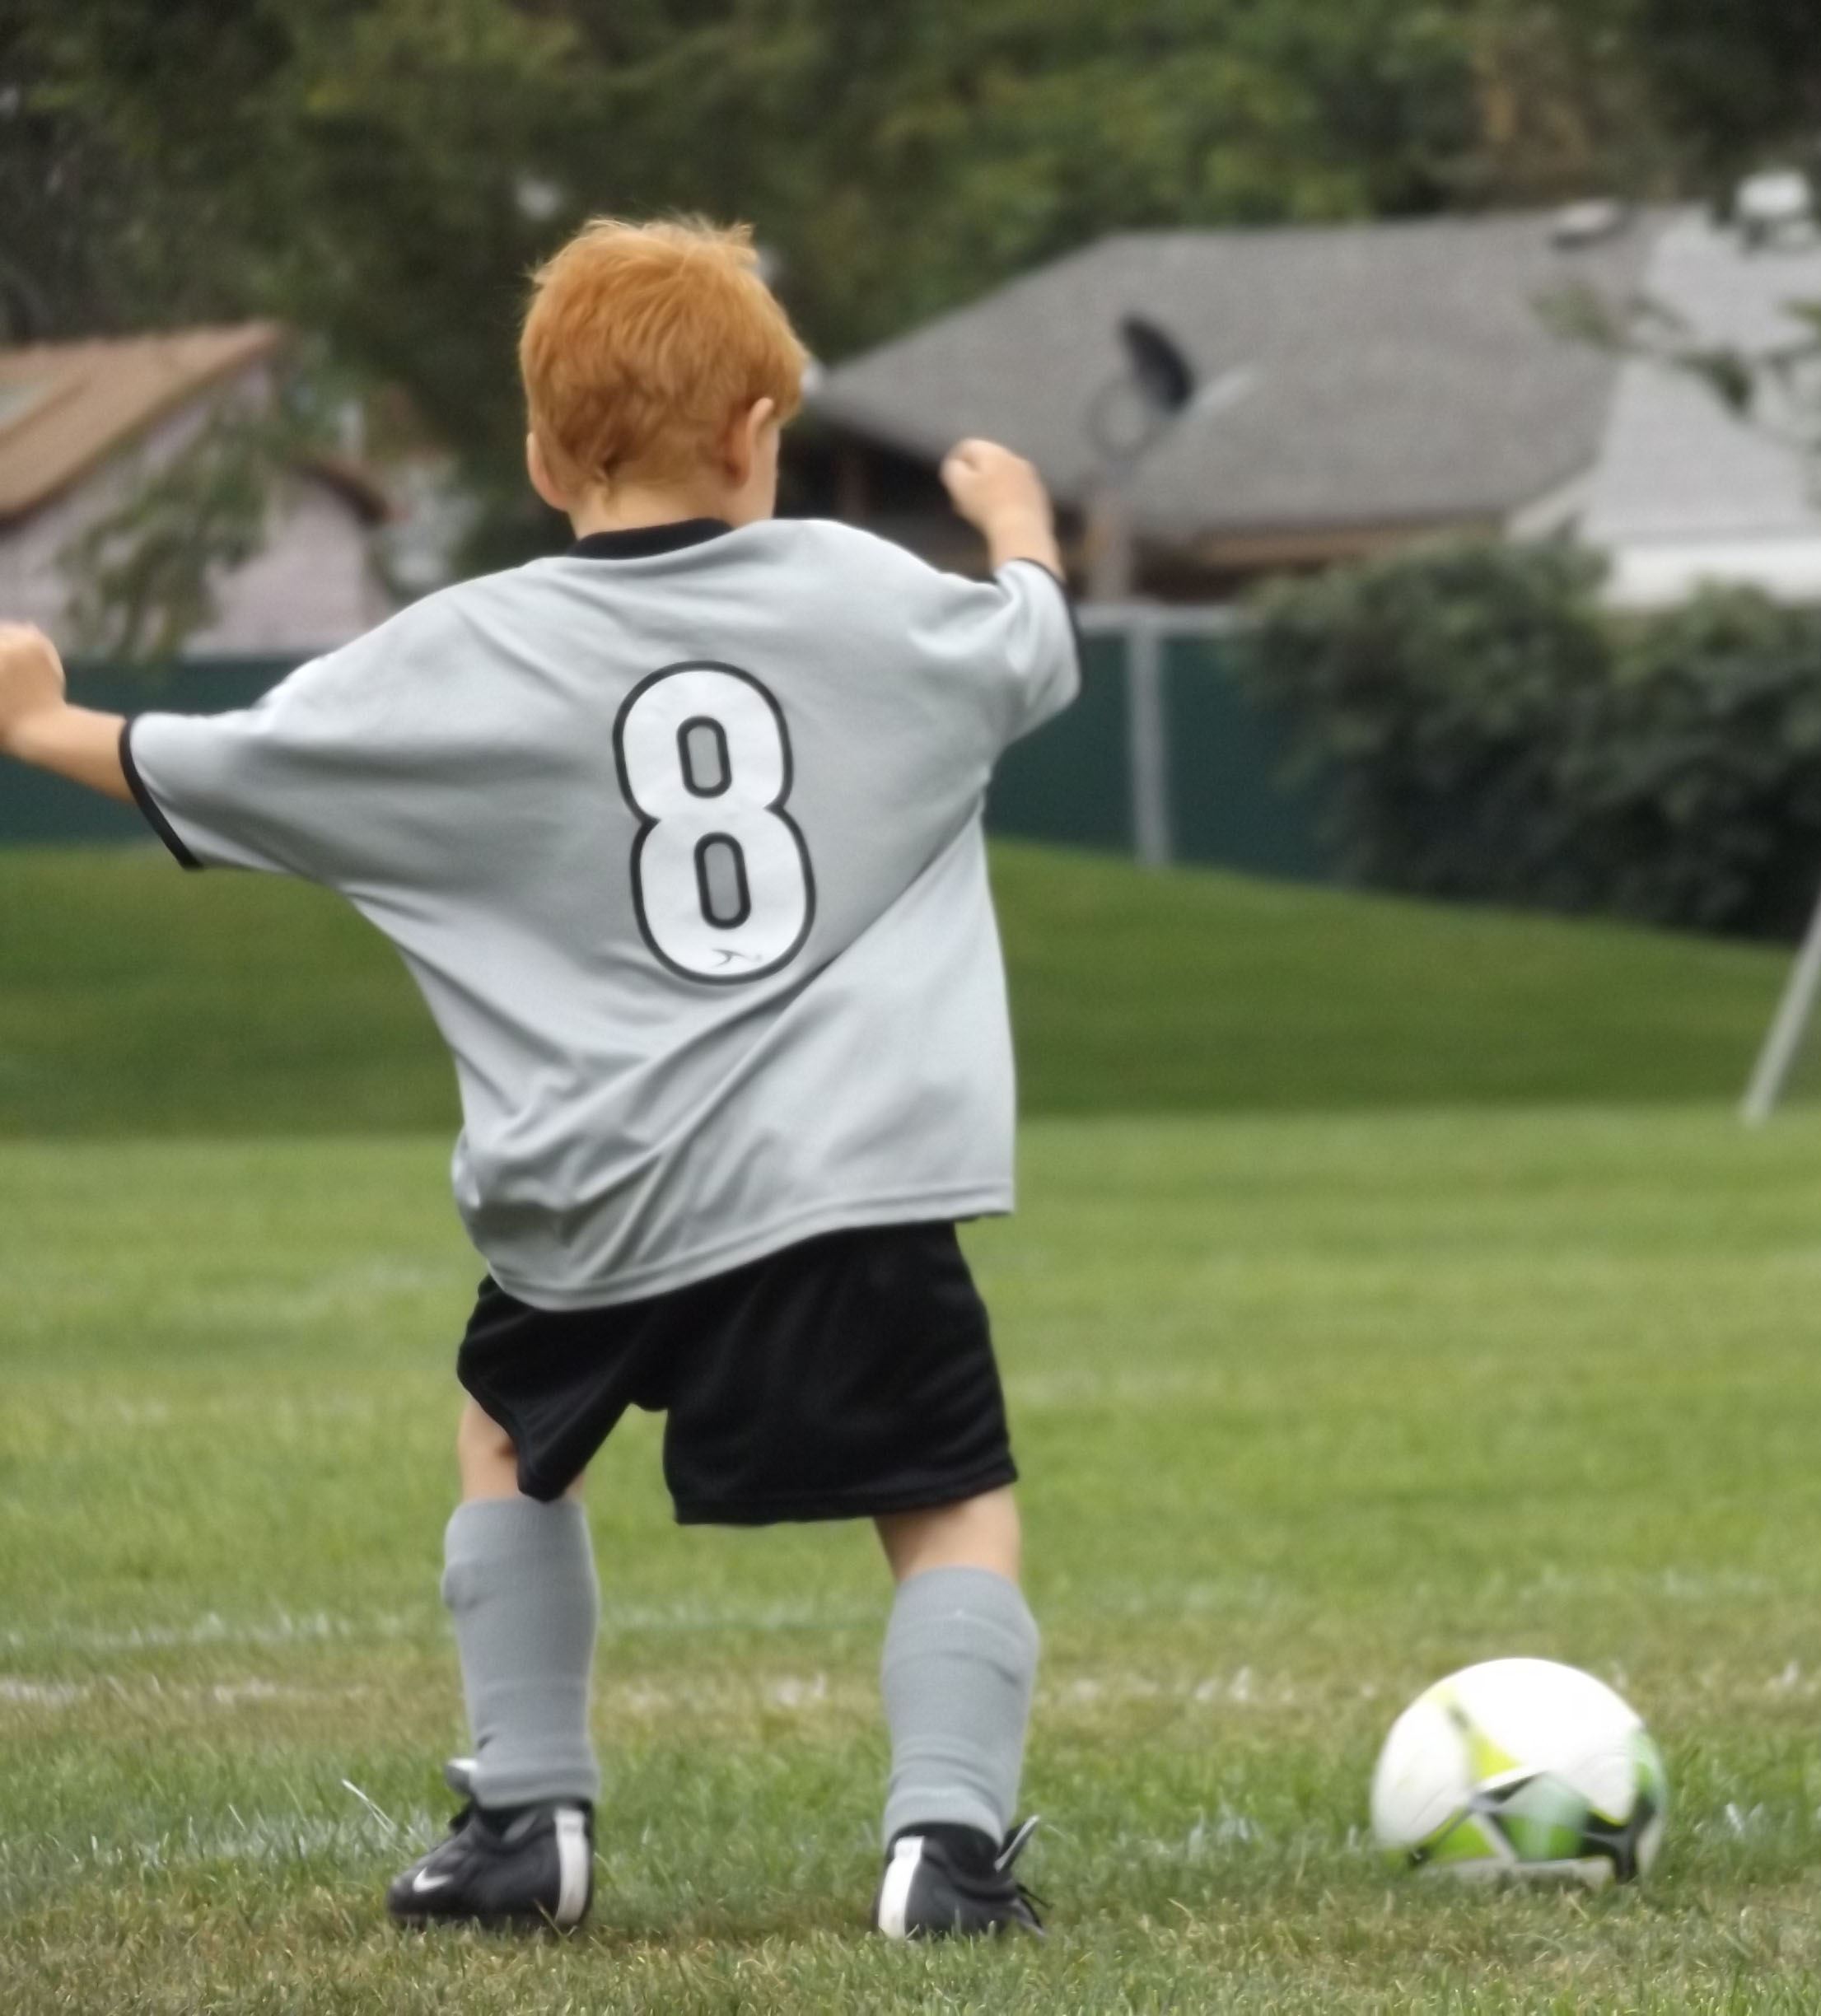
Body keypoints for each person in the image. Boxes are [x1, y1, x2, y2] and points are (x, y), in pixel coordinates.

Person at [0, 216, 1079, 1939]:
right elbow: (1027, 644)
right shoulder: (880, 600)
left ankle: (526, 1821)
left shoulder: (457, 653)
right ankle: (946, 1852)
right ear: (755, 439)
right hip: (849, 1180)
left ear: (536, 451)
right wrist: (1019, 525)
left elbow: (234, 771)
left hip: (596, 1199)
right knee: (943, 1494)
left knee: (511, 1435)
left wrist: (50, 723)